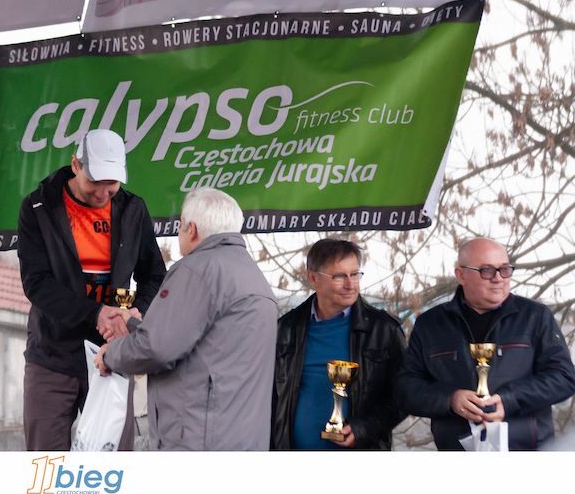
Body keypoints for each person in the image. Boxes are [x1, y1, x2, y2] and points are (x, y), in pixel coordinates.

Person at [93, 187, 278, 450]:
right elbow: (205, 344)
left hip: (198, 439)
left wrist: (110, 354)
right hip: (243, 438)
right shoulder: (253, 276)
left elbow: (158, 348)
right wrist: (132, 324)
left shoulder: (196, 269)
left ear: (191, 229)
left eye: (180, 226)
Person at [18, 128, 166, 451]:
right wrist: (95, 313)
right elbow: (36, 282)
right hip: (52, 355)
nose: (102, 193)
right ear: (76, 165)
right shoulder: (38, 207)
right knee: (46, 468)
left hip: (112, 356)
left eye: (111, 184)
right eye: (95, 181)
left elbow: (155, 275)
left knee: (109, 466)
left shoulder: (133, 210)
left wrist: (136, 312)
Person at [395, 237, 575, 450]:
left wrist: (510, 400)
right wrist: (449, 399)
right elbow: (406, 389)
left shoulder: (536, 317)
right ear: (461, 275)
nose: (498, 278)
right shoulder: (430, 324)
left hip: (528, 453)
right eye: (487, 271)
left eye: (505, 269)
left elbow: (564, 378)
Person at [272, 238, 406, 450]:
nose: (350, 284)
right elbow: (269, 399)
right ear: (313, 278)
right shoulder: (285, 329)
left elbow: (405, 396)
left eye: (354, 274)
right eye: (339, 276)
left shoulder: (383, 330)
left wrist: (364, 429)